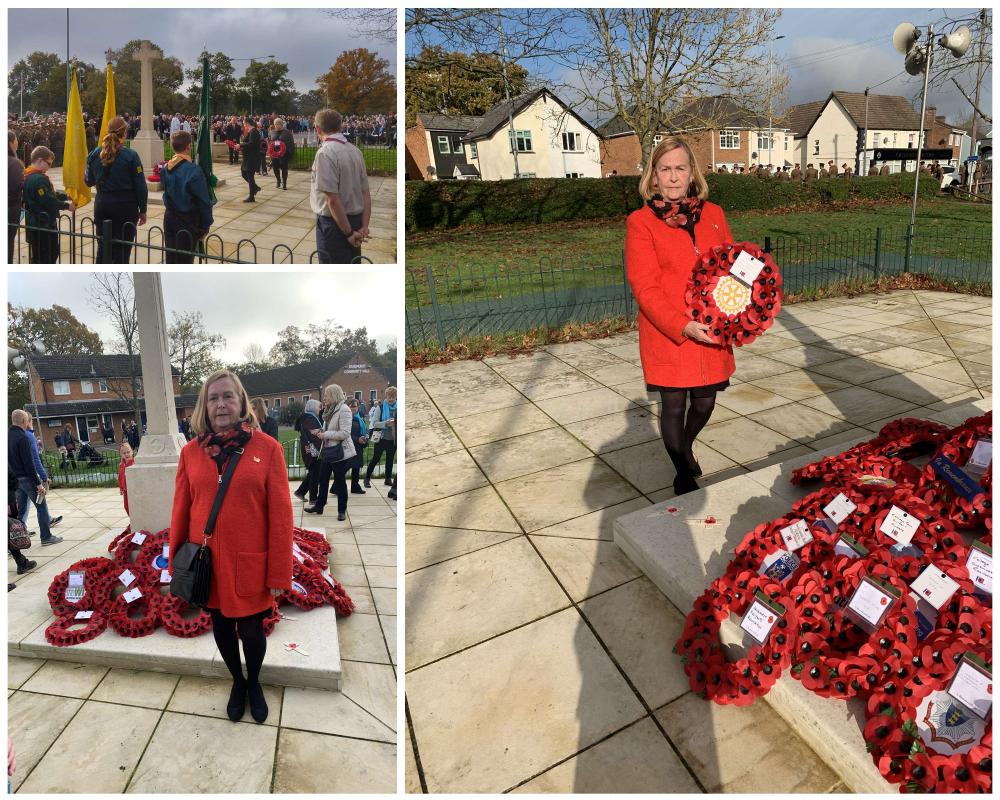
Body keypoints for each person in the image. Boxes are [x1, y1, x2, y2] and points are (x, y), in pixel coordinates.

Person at [169, 369, 292, 724]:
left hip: (250, 562)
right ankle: (237, 681)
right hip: (209, 563)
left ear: (242, 403)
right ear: (204, 407)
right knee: (221, 628)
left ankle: (254, 681)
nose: (221, 404)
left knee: (252, 632)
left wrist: (279, 570)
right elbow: (181, 508)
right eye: (213, 398)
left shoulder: (268, 449)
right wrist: (177, 563)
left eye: (228, 396)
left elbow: (281, 516)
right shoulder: (191, 453)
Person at [624, 136, 736, 495]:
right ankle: (682, 470)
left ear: (692, 174)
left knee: (704, 402)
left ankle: (685, 446)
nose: (673, 177)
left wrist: (746, 297)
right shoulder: (641, 222)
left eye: (680, 168)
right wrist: (683, 326)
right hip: (669, 331)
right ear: (653, 177)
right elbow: (645, 287)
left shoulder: (715, 214)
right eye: (665, 169)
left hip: (712, 327)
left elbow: (730, 266)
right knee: (673, 406)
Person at [310, 108, 371, 263]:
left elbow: (332, 200)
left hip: (335, 226)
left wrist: (349, 233)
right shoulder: (355, 151)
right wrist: (364, 226)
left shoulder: (325, 153)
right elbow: (365, 193)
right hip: (356, 222)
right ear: (341, 126)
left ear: (318, 129)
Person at [85, 116, 148, 263]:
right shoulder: (131, 156)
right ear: (124, 133)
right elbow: (140, 186)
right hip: (125, 207)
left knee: (103, 249)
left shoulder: (94, 154)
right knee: (122, 251)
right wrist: (143, 209)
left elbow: (88, 181)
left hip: (102, 204)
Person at [8, 410, 63, 546]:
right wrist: (39, 484)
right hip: (27, 478)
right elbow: (29, 463)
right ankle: (46, 537)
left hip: (15, 480)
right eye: (27, 420)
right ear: (23, 421)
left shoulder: (7, 436)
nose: (28, 423)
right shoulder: (23, 437)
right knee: (42, 507)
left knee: (21, 510)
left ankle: (17, 538)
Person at [304, 384, 356, 521]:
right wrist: (320, 431)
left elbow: (345, 433)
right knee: (323, 479)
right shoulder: (329, 409)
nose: (324, 398)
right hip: (328, 451)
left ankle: (341, 510)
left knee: (340, 482)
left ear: (333, 395)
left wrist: (325, 434)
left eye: (326, 395)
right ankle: (319, 506)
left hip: (340, 452)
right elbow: (329, 428)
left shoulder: (344, 409)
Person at [161, 130, 213, 263]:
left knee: (171, 259)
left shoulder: (165, 168)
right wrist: (205, 226)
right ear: (189, 147)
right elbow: (204, 201)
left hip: (169, 218)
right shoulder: (193, 171)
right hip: (187, 221)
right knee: (185, 261)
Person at [22, 146, 73, 263]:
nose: (49, 167)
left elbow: (50, 195)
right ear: (40, 160)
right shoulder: (39, 179)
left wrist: (66, 196)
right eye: (49, 164)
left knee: (38, 257)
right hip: (44, 225)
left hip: (34, 224)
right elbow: (48, 201)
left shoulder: (28, 174)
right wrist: (67, 206)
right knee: (49, 256)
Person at [364, 386, 397, 489]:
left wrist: (395, 423)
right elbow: (374, 423)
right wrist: (386, 423)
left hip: (393, 438)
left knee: (390, 460)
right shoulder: (380, 407)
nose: (391, 399)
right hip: (380, 438)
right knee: (375, 459)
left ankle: (387, 479)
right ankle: (367, 478)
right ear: (386, 396)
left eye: (393, 397)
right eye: (389, 397)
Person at [293, 399, 324, 504]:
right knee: (316, 474)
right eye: (318, 407)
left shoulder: (307, 417)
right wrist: (322, 446)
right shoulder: (310, 418)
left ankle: (300, 492)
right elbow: (314, 435)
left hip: (308, 450)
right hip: (313, 450)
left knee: (313, 472)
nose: (320, 409)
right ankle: (313, 499)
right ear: (313, 407)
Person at [9, 131, 24, 263]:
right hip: (10, 208)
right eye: (16, 140)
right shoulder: (14, 163)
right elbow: (17, 187)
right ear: (11, 143)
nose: (17, 143)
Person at [268, 118, 296, 191]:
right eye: (275, 124)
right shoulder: (272, 132)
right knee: (275, 168)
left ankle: (284, 183)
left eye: (278, 124)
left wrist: (289, 152)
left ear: (282, 124)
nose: (277, 126)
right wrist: (270, 151)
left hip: (284, 154)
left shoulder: (287, 132)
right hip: (275, 155)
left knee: (284, 169)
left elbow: (291, 143)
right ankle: (278, 180)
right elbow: (270, 142)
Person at [348, 398, 368, 494]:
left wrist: (365, 438)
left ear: (358, 407)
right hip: (350, 446)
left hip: (358, 446)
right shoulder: (347, 418)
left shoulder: (360, 417)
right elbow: (346, 433)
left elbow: (364, 429)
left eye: (355, 406)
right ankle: (336, 487)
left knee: (355, 468)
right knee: (346, 467)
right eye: (351, 407)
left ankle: (354, 486)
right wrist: (357, 439)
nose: (353, 408)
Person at [240, 118, 263, 202]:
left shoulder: (254, 131)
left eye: (244, 123)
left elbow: (251, 144)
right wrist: (240, 147)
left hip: (252, 158)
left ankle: (251, 196)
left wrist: (241, 145)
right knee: (244, 173)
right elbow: (248, 143)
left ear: (247, 123)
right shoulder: (251, 131)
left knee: (250, 176)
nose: (244, 125)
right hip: (248, 158)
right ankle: (255, 188)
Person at [118, 442, 135, 515]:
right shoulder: (121, 465)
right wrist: (121, 488)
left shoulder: (134, 464)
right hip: (125, 490)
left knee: (134, 506)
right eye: (124, 453)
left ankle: (135, 521)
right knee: (126, 506)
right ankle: (132, 520)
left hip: (132, 490)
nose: (126, 454)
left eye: (128, 452)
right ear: (121, 455)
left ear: (132, 451)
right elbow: (120, 477)